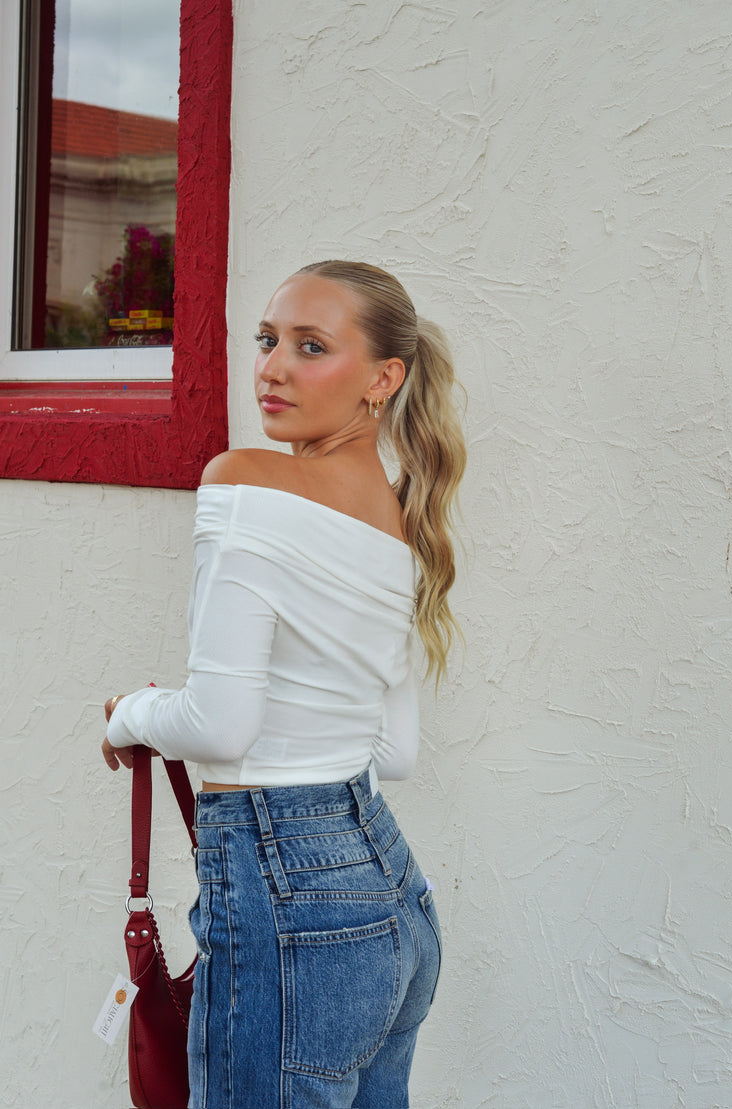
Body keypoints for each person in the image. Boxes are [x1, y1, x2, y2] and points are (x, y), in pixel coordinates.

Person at [102, 260, 466, 1109]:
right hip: (393, 900)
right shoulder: (397, 519)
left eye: (311, 346)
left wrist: (130, 715)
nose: (271, 367)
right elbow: (395, 752)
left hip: (292, 909)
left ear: (383, 379)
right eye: (267, 340)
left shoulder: (245, 481)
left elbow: (220, 724)